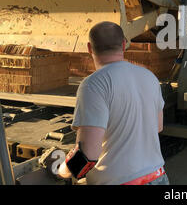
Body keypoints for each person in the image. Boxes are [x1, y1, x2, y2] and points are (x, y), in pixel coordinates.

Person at [57, 21, 168, 185]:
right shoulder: (149, 77)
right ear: (124, 45)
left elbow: (87, 154)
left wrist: (62, 171)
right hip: (158, 177)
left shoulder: (93, 85)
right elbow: (157, 127)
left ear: (89, 48)